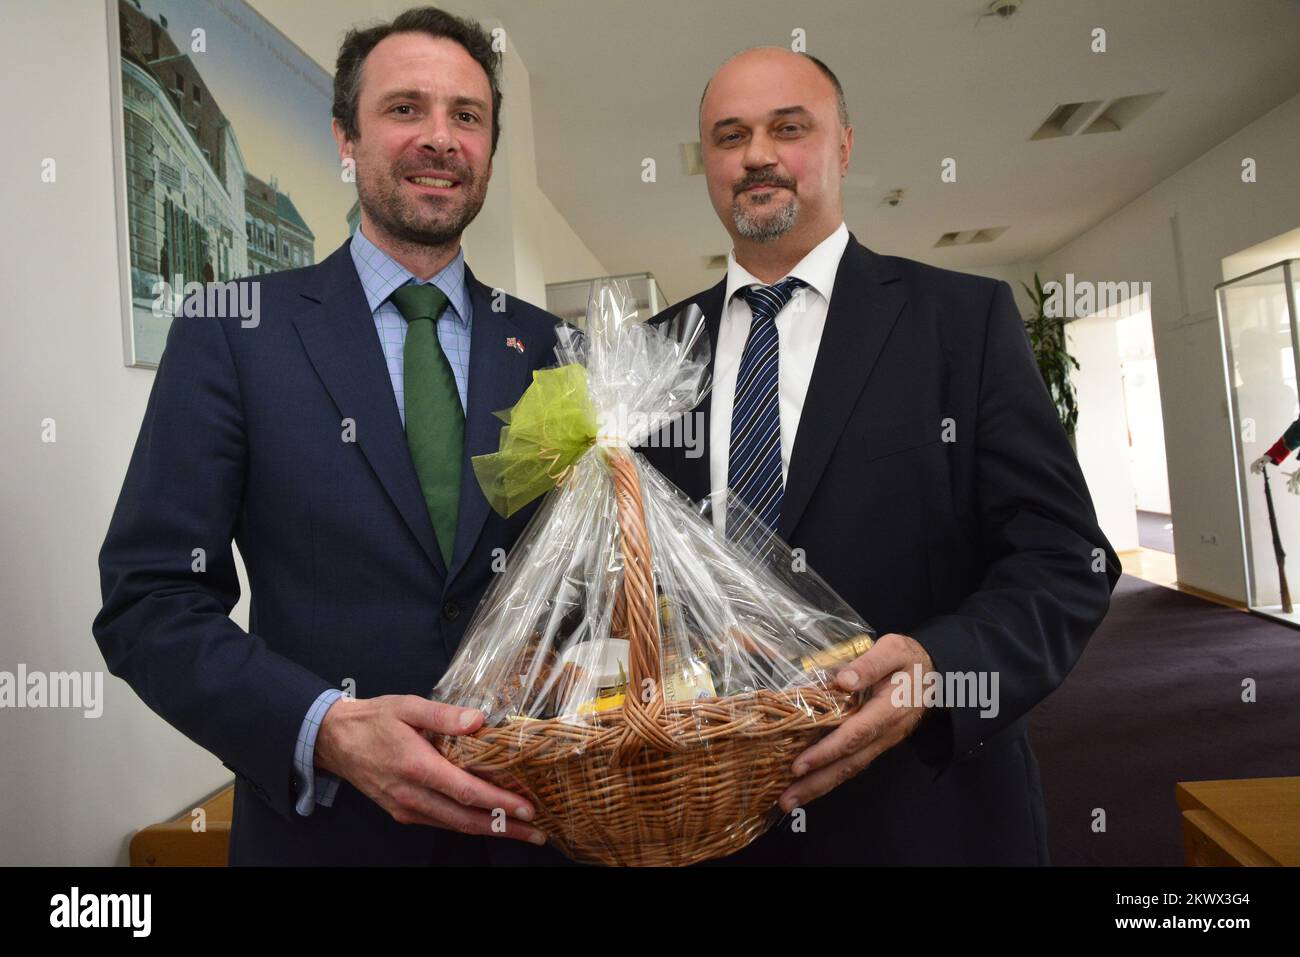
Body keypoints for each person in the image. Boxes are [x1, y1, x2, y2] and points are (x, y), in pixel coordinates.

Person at [93, 7, 560, 865]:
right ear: (346, 136)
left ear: (489, 147)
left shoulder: (548, 346)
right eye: (404, 109)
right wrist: (326, 728)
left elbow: (585, 576)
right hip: (326, 835)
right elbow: (150, 601)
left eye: (467, 116)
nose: (439, 138)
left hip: (537, 829)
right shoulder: (234, 333)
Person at [637, 47, 1122, 864]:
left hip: (925, 815)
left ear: (844, 147)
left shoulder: (962, 323)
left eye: (789, 127)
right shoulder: (651, 357)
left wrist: (940, 668)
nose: (757, 153)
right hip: (709, 822)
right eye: (730, 136)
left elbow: (1067, 558)